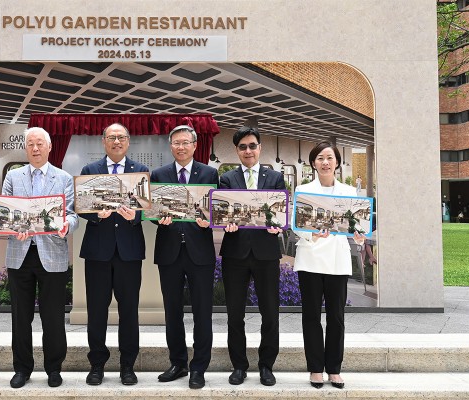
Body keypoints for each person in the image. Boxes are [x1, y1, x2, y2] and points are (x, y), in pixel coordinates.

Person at [2, 127, 78, 389]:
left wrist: (68, 225)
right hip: (20, 253)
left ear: (49, 148)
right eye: (30, 144)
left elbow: (72, 214)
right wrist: (14, 227)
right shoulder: (13, 176)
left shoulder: (64, 178)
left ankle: (54, 368)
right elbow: (6, 213)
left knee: (53, 316)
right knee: (20, 317)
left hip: (52, 254)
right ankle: (22, 368)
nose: (35, 148)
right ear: (26, 149)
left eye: (39, 144)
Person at [150, 125, 219, 389]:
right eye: (176, 143)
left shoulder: (210, 173)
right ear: (171, 146)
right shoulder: (160, 174)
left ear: (194, 144)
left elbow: (218, 210)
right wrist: (160, 220)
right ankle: (178, 363)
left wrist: (209, 222)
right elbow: (153, 212)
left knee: (203, 312)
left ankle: (199, 367)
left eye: (185, 142)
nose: (181, 147)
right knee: (173, 311)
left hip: (199, 252)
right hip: (169, 252)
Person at [80, 123, 148, 386]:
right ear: (103, 141)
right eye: (112, 137)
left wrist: (136, 216)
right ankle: (97, 364)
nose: (116, 141)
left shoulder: (140, 172)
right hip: (98, 251)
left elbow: (147, 207)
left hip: (129, 252)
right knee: (96, 310)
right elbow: (81, 206)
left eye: (121, 137)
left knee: (129, 311)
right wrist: (95, 214)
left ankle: (127, 366)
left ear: (128, 142)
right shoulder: (90, 171)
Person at [293, 141, 364, 389]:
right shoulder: (302, 189)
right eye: (320, 158)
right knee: (311, 316)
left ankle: (334, 369)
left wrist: (358, 235)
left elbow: (356, 224)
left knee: (336, 317)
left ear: (337, 163)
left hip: (337, 260)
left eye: (330, 158)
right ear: (313, 163)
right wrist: (311, 234)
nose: (325, 162)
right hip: (310, 259)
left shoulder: (348, 192)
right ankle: (315, 369)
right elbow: (296, 225)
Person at [219, 126, 285, 387]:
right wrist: (226, 224)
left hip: (266, 253)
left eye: (252, 145)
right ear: (237, 150)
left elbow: (281, 212)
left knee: (270, 313)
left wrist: (278, 225)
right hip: (235, 253)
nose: (248, 150)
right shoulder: (227, 179)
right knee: (235, 314)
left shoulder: (275, 178)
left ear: (260, 148)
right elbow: (221, 211)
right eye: (243, 147)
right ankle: (239, 366)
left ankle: (267, 365)